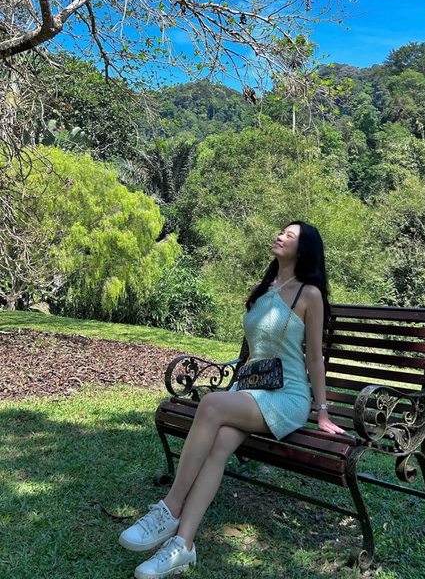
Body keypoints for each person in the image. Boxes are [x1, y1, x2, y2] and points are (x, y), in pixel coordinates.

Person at [119, 220, 346, 579]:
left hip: (287, 396)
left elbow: (315, 358)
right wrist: (239, 386)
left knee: (210, 405)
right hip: (251, 389)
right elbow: (255, 351)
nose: (280, 236)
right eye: (281, 231)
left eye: (290, 235)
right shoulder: (265, 289)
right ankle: (183, 546)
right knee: (219, 444)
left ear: (304, 249)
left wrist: (322, 412)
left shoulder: (309, 294)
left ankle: (170, 507)